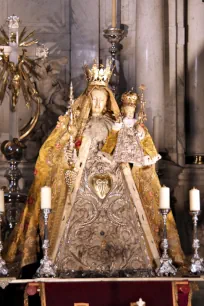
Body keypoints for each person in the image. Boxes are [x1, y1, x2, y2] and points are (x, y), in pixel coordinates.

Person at [4, 62, 184, 277]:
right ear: (88, 100)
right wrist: (69, 158)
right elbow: (56, 153)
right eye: (95, 100)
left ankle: (130, 261)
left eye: (102, 99)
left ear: (108, 100)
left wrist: (133, 141)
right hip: (82, 187)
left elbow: (129, 149)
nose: (98, 104)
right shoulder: (76, 125)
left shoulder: (114, 124)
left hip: (117, 184)